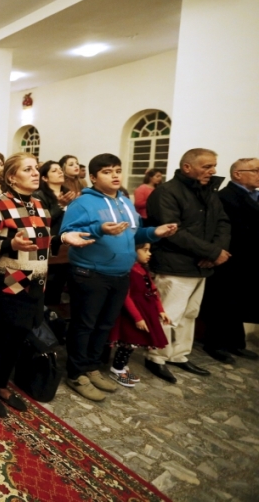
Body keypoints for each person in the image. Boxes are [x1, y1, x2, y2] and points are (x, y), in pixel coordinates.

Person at [0, 153, 93, 418]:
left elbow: (41, 243)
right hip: (5, 285)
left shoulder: (39, 205)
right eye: (28, 169)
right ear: (12, 177)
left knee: (18, 339)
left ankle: (3, 385)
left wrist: (62, 238)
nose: (36, 173)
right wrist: (10, 244)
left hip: (35, 283)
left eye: (36, 168)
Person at [60, 154, 177, 400]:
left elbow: (134, 235)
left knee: (104, 324)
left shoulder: (125, 202)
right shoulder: (82, 203)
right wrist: (98, 229)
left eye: (117, 170)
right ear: (93, 177)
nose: (114, 175)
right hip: (90, 273)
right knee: (85, 325)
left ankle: (92, 367)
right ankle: (76, 373)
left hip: (120, 274)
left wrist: (154, 232)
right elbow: (69, 233)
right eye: (106, 171)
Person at [144, 148, 230, 383]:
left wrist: (215, 252)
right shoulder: (166, 192)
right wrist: (211, 251)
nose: (212, 171)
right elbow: (172, 232)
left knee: (190, 313)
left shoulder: (209, 192)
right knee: (168, 314)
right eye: (206, 166)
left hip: (200, 264)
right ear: (187, 167)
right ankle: (156, 356)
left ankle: (178, 354)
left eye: (214, 166)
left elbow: (222, 222)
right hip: (174, 265)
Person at [200, 157, 259, 363]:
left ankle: (236, 343)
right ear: (237, 174)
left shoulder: (254, 196)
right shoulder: (226, 197)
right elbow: (228, 229)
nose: (258, 175)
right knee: (222, 302)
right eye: (255, 170)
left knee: (239, 302)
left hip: (248, 260)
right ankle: (216, 344)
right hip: (230, 257)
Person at [108, 242, 171, 387]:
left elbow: (153, 292)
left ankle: (122, 367)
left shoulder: (143, 270)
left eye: (149, 250)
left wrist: (160, 310)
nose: (149, 254)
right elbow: (126, 296)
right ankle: (117, 368)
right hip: (132, 313)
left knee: (133, 344)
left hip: (145, 310)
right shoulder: (128, 271)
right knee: (128, 342)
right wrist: (138, 317)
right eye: (145, 250)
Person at [33, 160, 75, 307]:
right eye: (54, 170)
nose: (60, 172)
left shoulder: (68, 194)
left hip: (68, 245)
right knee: (49, 288)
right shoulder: (39, 196)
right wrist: (60, 206)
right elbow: (42, 222)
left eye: (60, 169)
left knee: (61, 287)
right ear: (44, 178)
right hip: (50, 246)